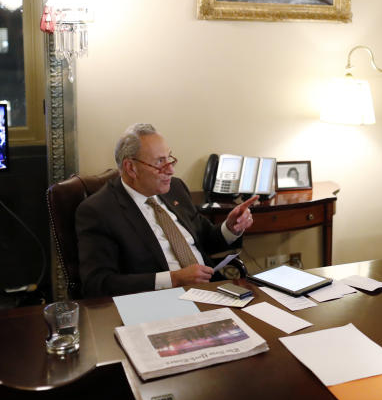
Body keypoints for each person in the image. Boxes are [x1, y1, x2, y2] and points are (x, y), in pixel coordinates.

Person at [76, 123, 257, 297]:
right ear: (131, 168)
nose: (170, 170)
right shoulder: (98, 211)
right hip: (159, 302)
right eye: (160, 162)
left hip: (212, 291)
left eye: (169, 158)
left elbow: (205, 238)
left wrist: (231, 227)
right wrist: (173, 279)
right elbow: (97, 284)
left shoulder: (175, 188)